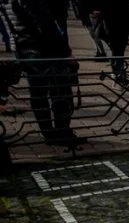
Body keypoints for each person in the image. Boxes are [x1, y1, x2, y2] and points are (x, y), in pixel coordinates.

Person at [11, 0, 86, 148]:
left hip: (27, 49)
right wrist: (66, 52)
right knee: (60, 93)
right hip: (45, 51)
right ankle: (60, 133)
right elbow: (45, 24)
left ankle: (51, 133)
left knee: (40, 95)